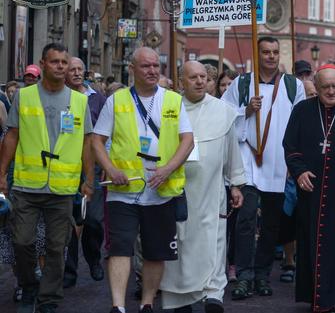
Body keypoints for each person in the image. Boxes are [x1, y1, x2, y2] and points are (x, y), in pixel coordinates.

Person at [92, 47, 194, 313]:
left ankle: (147, 302)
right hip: (122, 190)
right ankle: (118, 306)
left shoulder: (173, 100)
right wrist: (111, 169)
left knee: (155, 252)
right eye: (146, 66)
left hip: (160, 189)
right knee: (120, 248)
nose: (152, 71)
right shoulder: (116, 100)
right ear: (132, 69)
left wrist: (168, 169)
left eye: (155, 66)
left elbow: (188, 141)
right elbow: (97, 140)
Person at [0, 43, 95, 313]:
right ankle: (29, 285)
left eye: (64, 62)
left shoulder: (79, 101)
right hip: (27, 185)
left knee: (56, 247)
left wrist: (89, 180)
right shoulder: (25, 96)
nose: (61, 67)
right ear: (43, 64)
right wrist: (1, 175)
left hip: (63, 189)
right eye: (55, 62)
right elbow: (12, 136)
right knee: (21, 241)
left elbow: (87, 142)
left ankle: (49, 299)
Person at [221, 36, 305, 300]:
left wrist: (295, 162)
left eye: (275, 52)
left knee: (271, 225)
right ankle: (244, 276)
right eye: (266, 52)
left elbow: (300, 125)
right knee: (245, 221)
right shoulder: (242, 84)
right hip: (248, 164)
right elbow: (222, 115)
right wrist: (245, 111)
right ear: (257, 55)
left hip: (278, 166)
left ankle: (262, 275)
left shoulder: (293, 86)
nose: (271, 56)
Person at [283, 64, 335, 312]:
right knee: (312, 241)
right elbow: (290, 145)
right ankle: (318, 297)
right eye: (325, 87)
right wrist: (299, 171)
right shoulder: (302, 110)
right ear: (317, 88)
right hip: (311, 188)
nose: (331, 91)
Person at [161, 61, 245, 313]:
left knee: (214, 239)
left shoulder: (222, 110)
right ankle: (181, 296)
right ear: (181, 81)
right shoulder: (170, 109)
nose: (199, 81)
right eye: (193, 77)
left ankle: (213, 292)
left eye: (203, 77)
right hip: (178, 189)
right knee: (182, 242)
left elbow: (232, 150)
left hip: (212, 189)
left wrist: (236, 184)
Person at [63, 57, 108, 288]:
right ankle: (69, 271)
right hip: (66, 165)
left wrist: (106, 164)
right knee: (69, 220)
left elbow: (108, 133)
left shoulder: (98, 99)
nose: (77, 73)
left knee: (93, 220)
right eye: (73, 69)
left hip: (95, 165)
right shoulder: (60, 97)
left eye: (80, 69)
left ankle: (93, 260)